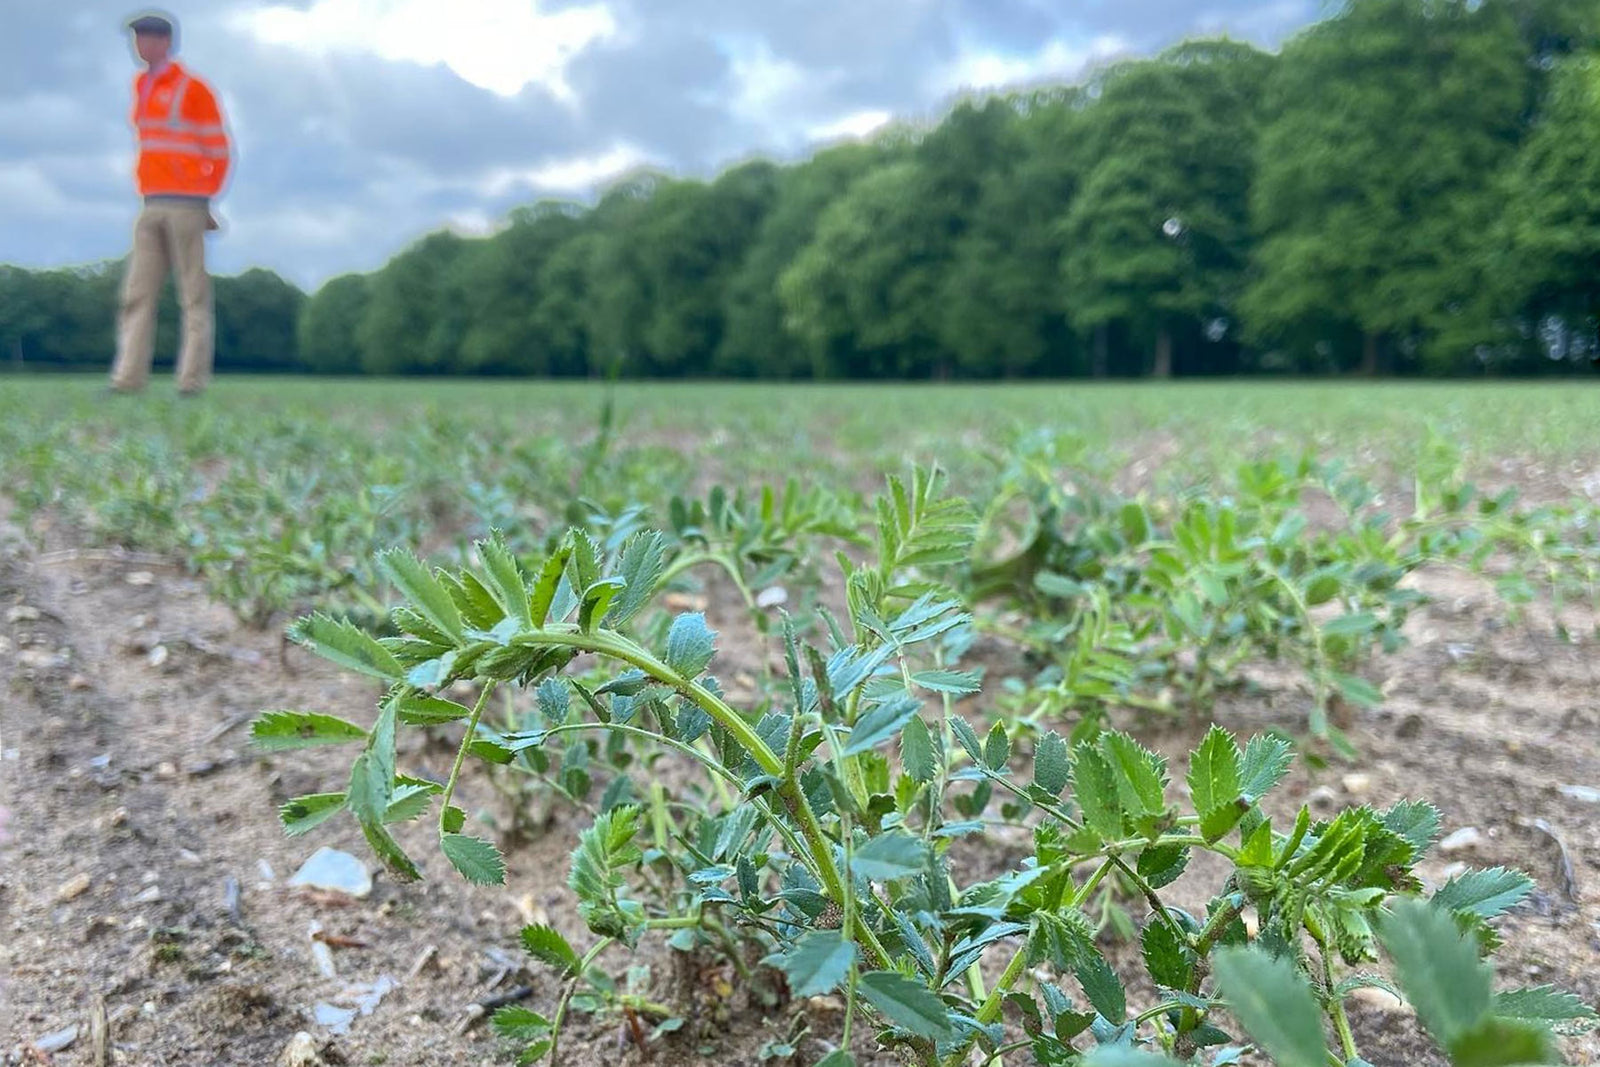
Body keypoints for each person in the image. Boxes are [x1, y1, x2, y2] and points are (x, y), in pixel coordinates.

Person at [109, 12, 231, 396]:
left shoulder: (194, 89)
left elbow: (220, 150)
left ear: (163, 42)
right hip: (150, 202)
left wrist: (202, 195)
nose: (138, 46)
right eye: (136, 39)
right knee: (136, 294)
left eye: (144, 38)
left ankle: (191, 383)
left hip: (185, 204)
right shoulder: (141, 86)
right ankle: (128, 380)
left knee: (192, 295)